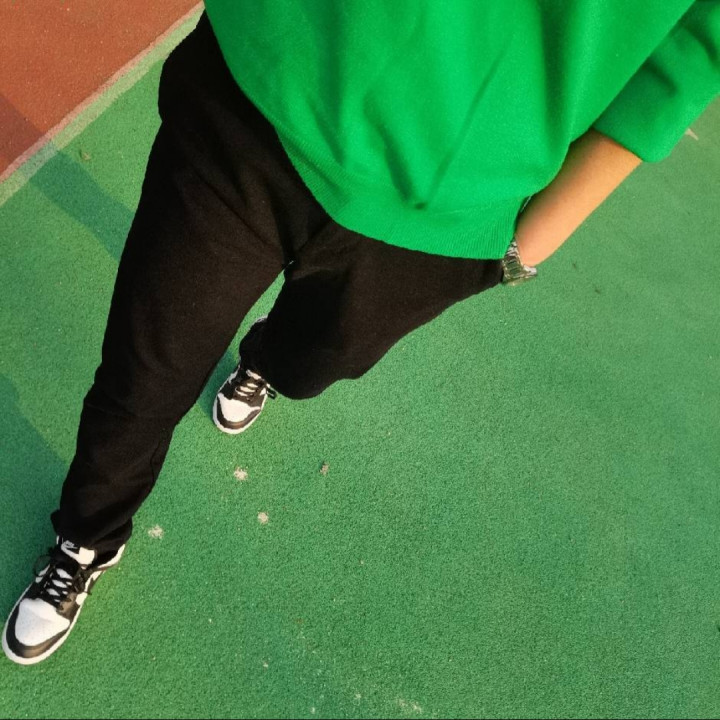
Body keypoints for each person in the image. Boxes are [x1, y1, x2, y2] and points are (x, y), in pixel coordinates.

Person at [3, 0, 719, 665]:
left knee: (311, 364)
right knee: (145, 371)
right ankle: (87, 539)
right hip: (264, 88)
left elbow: (686, 57)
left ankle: (266, 363)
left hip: (442, 217)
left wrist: (525, 249)